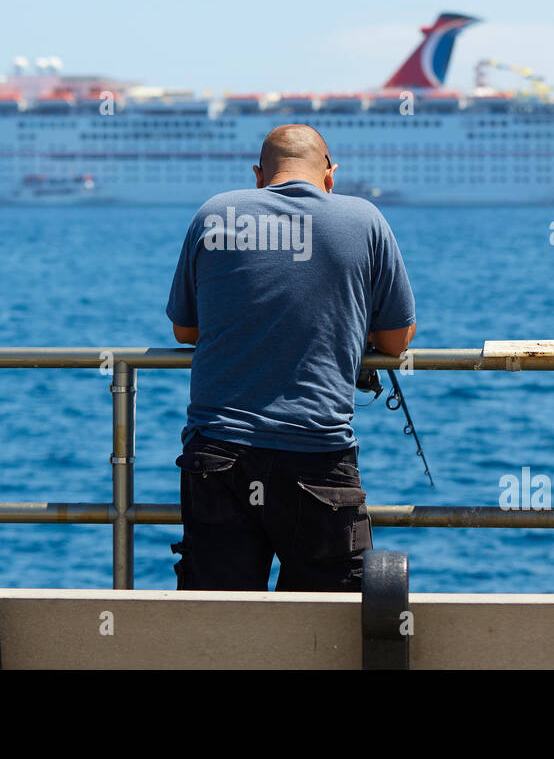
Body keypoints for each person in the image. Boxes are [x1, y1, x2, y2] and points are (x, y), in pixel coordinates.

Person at [165, 123, 416, 591]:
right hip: (317, 454)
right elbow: (397, 340)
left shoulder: (215, 213)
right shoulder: (364, 220)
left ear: (259, 174)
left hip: (218, 455)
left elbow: (185, 330)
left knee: (218, 623)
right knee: (329, 625)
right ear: (330, 175)